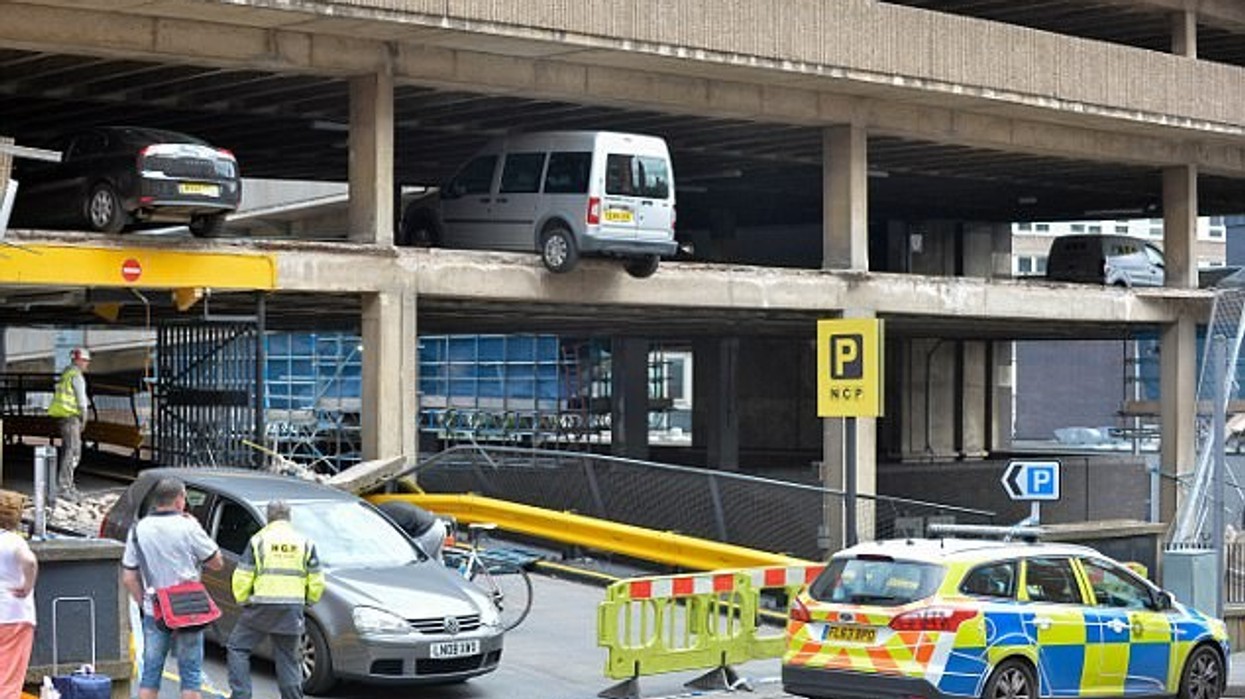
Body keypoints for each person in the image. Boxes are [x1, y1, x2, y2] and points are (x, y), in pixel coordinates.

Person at [121, 478, 223, 699]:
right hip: (189, 609)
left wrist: (145, 603)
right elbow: (217, 562)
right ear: (179, 500)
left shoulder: (138, 530)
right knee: (191, 676)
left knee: (150, 674)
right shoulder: (188, 526)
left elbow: (129, 577)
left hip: (154, 608)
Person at [228, 500, 323, 699]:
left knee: (238, 647)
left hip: (260, 606)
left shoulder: (259, 540)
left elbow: (243, 574)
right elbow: (316, 578)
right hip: (291, 608)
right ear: (289, 517)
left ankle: (241, 695)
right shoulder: (304, 542)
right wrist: (308, 599)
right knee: (288, 659)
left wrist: (243, 598)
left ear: (269, 517)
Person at [0, 497, 37, 699]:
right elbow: (29, 561)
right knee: (8, 680)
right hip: (14, 615)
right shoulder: (13, 540)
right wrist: (27, 585)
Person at [47, 346, 91, 499]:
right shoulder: (76, 376)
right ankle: (65, 488)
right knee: (73, 452)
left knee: (68, 451)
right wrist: (84, 418)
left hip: (63, 418)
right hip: (72, 418)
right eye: (85, 361)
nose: (87, 364)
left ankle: (67, 486)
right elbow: (81, 401)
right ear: (78, 360)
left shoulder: (66, 373)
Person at [376, 499, 447, 563]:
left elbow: (392, 537)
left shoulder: (381, 515)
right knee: (434, 563)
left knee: (416, 562)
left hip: (426, 531)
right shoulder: (386, 506)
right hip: (437, 525)